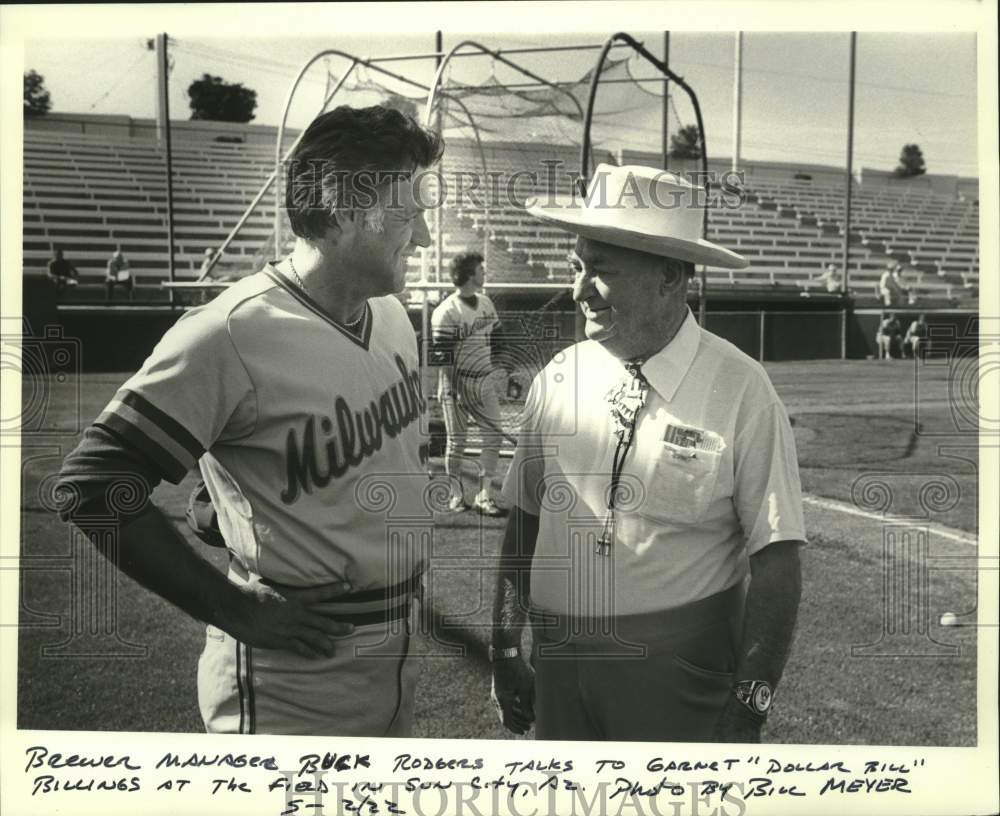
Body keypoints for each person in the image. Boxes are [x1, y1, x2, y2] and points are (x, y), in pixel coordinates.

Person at [57, 105, 443, 736]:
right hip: (290, 680)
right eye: (409, 212)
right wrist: (231, 605)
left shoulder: (392, 315)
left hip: (393, 656)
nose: (424, 237)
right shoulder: (229, 331)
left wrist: (223, 498)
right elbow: (92, 485)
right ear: (346, 210)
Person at [490, 165, 805, 743]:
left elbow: (778, 558)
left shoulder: (741, 387)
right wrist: (506, 642)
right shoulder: (558, 377)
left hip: (684, 684)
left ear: (669, 276)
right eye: (577, 267)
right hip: (559, 676)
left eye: (601, 272)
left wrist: (749, 707)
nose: (579, 290)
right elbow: (525, 522)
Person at [428, 251, 504, 516]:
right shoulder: (445, 311)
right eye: (481, 270)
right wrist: (457, 390)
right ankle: (456, 494)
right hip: (455, 385)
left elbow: (498, 337)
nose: (484, 274)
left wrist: (500, 369)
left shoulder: (485, 302)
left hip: (483, 381)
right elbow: (443, 358)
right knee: (457, 442)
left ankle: (484, 496)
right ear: (470, 275)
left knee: (493, 437)